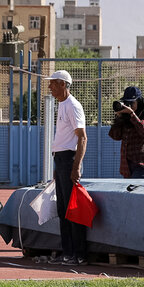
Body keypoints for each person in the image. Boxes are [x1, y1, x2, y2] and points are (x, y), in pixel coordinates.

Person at [47, 69, 88, 265]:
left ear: (63, 84)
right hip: (61, 160)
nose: (50, 87)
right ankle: (67, 252)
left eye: (53, 83)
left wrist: (76, 166)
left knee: (73, 209)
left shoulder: (73, 106)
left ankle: (79, 254)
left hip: (69, 160)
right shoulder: (62, 105)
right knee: (63, 209)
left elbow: (82, 137)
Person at [108, 86, 144, 179]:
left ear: (139, 101)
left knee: (139, 192)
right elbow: (115, 136)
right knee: (129, 193)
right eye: (127, 102)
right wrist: (119, 118)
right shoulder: (126, 117)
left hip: (142, 164)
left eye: (131, 102)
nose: (129, 105)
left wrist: (132, 114)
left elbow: (143, 130)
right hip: (127, 166)